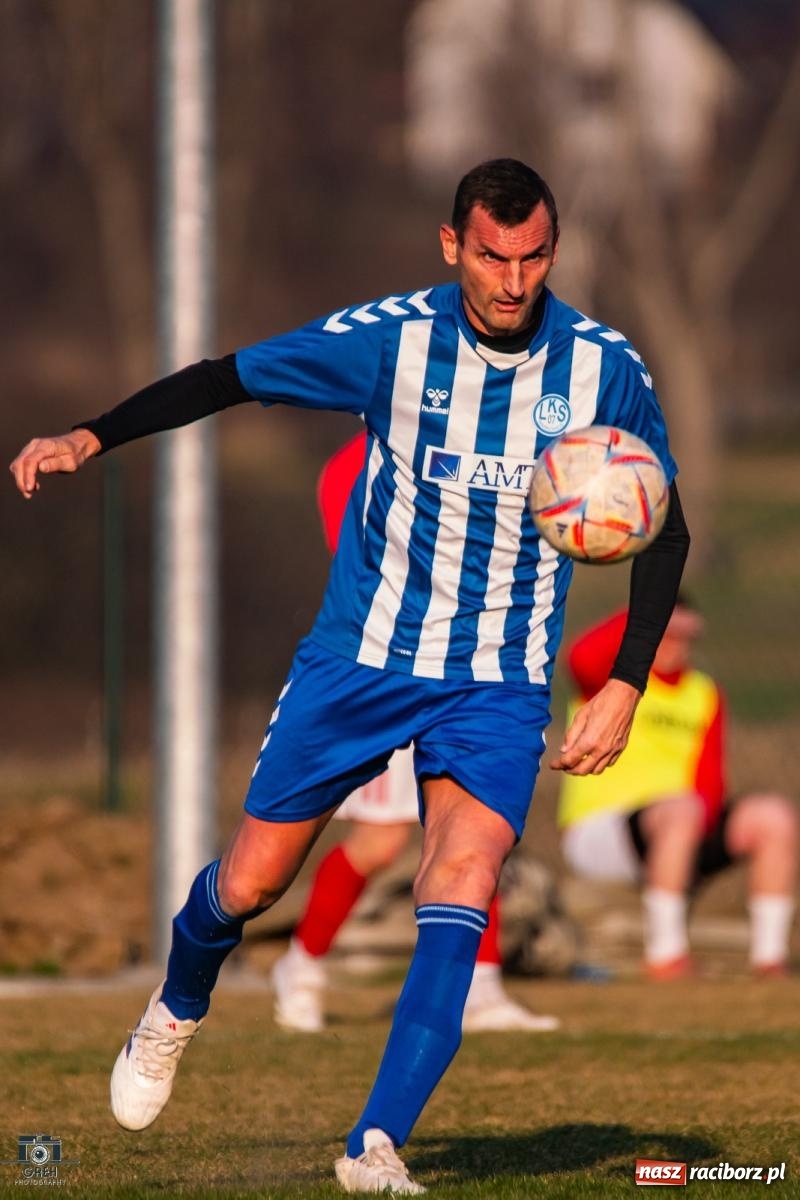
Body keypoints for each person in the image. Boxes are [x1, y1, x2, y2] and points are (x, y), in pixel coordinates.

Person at [10, 158, 689, 1194]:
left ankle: (375, 1145)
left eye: (534, 257)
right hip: (359, 661)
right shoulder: (389, 341)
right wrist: (89, 435)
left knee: (462, 881)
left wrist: (624, 683)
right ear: (451, 245)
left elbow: (665, 526)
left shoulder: (603, 368)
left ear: (554, 250)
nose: (513, 281)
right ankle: (176, 1007)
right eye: (492, 257)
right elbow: (227, 378)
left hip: (497, 679)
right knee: (251, 882)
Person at [272, 432, 560, 1035]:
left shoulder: (482, 443)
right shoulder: (357, 461)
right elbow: (367, 560)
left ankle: (481, 989)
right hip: (389, 670)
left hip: (472, 671)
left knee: (474, 833)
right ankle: (301, 967)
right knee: (378, 842)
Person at [559, 597, 797, 978]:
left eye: (686, 635)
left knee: (774, 816)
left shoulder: (704, 693)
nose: (677, 644)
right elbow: (579, 655)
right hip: (603, 829)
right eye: (668, 633)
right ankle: (666, 954)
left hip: (681, 826)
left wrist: (695, 842)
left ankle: (770, 958)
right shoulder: (613, 677)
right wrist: (651, 602)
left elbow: (710, 780)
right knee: (681, 810)